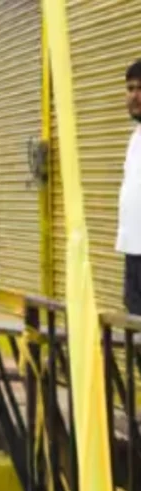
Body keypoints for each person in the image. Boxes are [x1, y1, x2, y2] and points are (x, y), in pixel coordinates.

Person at [118, 58, 141, 315]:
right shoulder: (135, 139)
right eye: (130, 89)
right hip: (133, 251)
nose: (135, 96)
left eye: (140, 89)